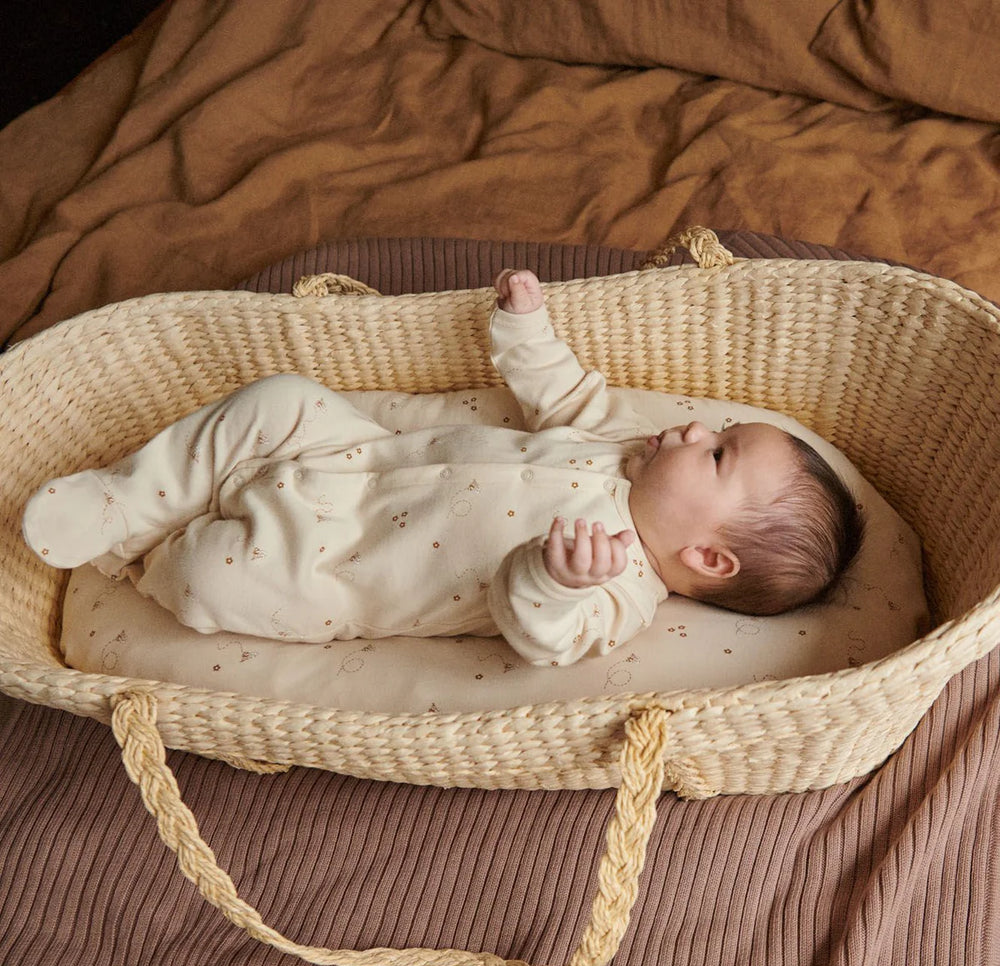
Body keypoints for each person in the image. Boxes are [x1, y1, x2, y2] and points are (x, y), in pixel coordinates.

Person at [23, 270, 863, 667]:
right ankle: (128, 506)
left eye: (716, 452)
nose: (689, 426)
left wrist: (555, 578)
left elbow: (542, 636)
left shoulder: (619, 592)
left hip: (332, 565)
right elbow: (566, 393)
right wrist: (527, 329)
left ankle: (142, 558)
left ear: (709, 559)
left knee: (213, 575)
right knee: (282, 394)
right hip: (348, 455)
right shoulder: (623, 443)